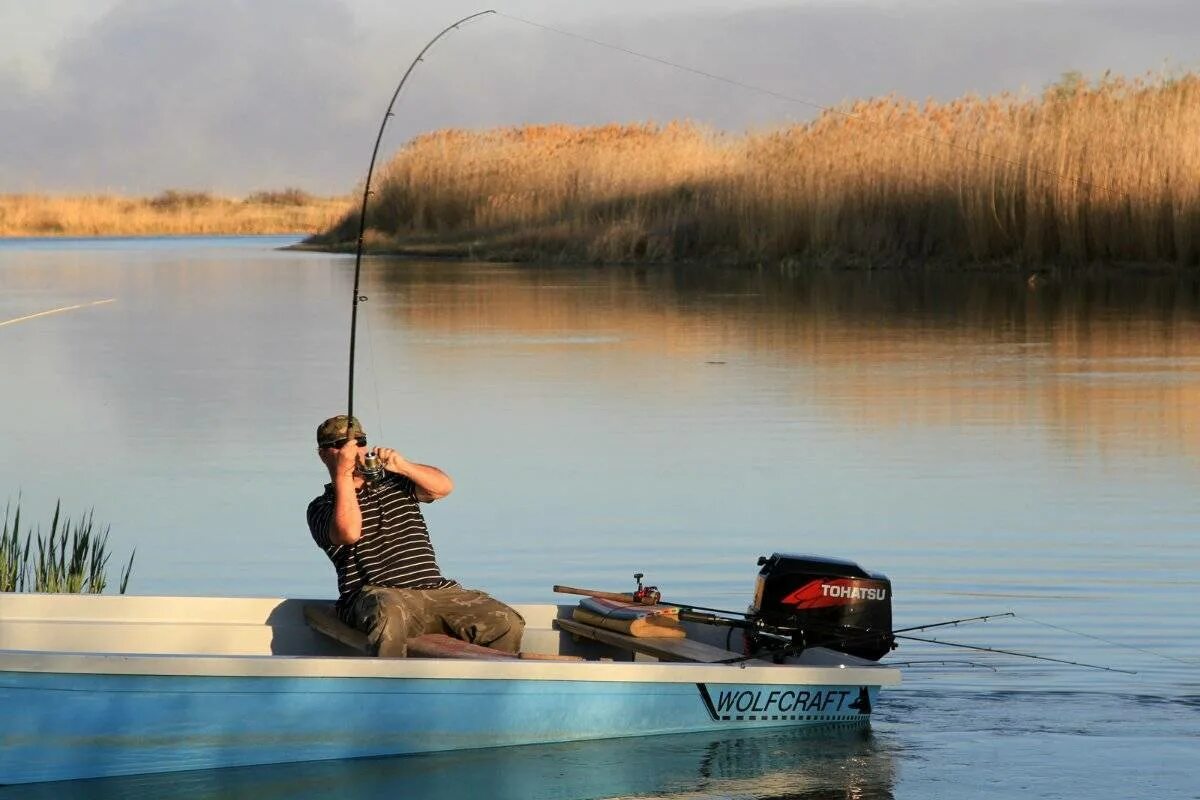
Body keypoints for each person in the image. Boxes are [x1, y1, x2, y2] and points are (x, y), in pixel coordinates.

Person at [307, 415, 524, 657]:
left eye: (359, 441)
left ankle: (486, 688)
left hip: (436, 591)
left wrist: (403, 466)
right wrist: (343, 476)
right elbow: (348, 532)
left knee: (505, 622)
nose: (352, 449)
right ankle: (390, 688)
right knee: (388, 614)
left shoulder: (398, 482)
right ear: (324, 454)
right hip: (376, 595)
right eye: (340, 445)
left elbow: (443, 487)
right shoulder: (322, 506)